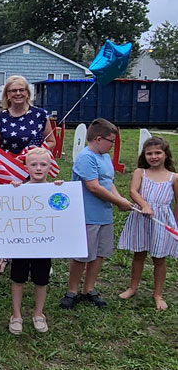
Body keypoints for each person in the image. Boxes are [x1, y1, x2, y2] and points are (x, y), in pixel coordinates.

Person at [60, 118, 132, 310]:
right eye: (111, 141)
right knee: (82, 255)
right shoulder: (86, 157)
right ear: (99, 139)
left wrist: (120, 200)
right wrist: (119, 202)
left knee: (99, 254)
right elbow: (93, 187)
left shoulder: (105, 157)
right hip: (87, 214)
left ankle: (88, 289)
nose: (112, 145)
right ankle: (72, 290)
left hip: (104, 214)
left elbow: (108, 182)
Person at [0, 76, 56, 274]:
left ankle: (39, 256)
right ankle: (5, 255)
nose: (18, 94)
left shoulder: (40, 115)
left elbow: (51, 141)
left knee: (35, 213)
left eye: (21, 90)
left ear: (28, 92)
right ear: (7, 95)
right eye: (13, 91)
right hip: (8, 169)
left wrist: (36, 152)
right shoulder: (0, 118)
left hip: (34, 168)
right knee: (10, 213)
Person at [8, 148, 64, 335]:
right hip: (21, 245)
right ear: (26, 167)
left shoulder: (56, 190)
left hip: (43, 245)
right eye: (34, 164)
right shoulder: (19, 189)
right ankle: (16, 315)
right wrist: (14, 190)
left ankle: (39, 314)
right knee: (18, 279)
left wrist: (62, 189)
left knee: (41, 280)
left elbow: (63, 211)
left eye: (43, 164)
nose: (38, 168)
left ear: (50, 167)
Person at [118, 137, 177, 310]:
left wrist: (174, 224)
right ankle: (133, 287)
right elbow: (133, 191)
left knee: (159, 258)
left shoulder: (174, 177)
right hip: (141, 218)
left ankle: (158, 294)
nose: (154, 156)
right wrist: (144, 205)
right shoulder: (140, 172)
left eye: (158, 153)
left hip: (162, 221)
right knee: (139, 254)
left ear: (166, 155)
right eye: (149, 153)